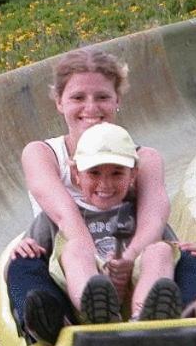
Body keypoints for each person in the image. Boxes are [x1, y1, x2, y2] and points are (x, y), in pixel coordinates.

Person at [6, 47, 196, 345]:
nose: (91, 107)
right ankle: (52, 324)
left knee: (181, 256)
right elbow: (64, 213)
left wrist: (128, 261)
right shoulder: (43, 153)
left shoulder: (144, 158)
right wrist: (97, 266)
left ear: (117, 100)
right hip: (68, 262)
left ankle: (193, 313)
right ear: (59, 102)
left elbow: (154, 217)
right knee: (22, 263)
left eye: (102, 97)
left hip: (132, 263)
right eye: (78, 97)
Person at [24, 122, 183, 332]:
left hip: (133, 290)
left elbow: (174, 248)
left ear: (133, 175)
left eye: (117, 173)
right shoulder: (55, 218)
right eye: (94, 173)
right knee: (74, 248)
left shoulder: (141, 215)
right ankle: (97, 312)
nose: (105, 184)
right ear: (76, 175)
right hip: (81, 295)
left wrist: (182, 251)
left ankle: (146, 317)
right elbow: (23, 266)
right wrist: (22, 249)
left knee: (160, 250)